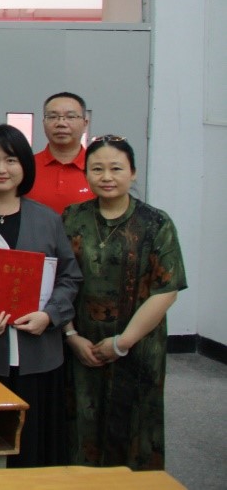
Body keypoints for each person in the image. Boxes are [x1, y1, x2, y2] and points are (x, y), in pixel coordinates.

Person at [62, 136, 185, 471]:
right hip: (82, 345)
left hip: (137, 346)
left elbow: (167, 290)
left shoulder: (156, 223)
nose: (106, 176)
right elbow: (58, 280)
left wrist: (122, 342)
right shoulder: (72, 218)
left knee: (134, 428)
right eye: (97, 169)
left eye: (116, 168)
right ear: (86, 174)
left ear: (133, 173)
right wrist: (71, 336)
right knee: (81, 427)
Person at [0, 126, 81, 468]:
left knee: (34, 447)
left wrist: (50, 315)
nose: (1, 169)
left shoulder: (48, 219)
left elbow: (70, 276)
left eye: (11, 160)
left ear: (25, 167)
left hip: (40, 355)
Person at [25, 92, 93, 213]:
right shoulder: (26, 166)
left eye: (70, 117)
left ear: (85, 124)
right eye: (52, 117)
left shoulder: (97, 168)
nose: (61, 123)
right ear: (43, 123)